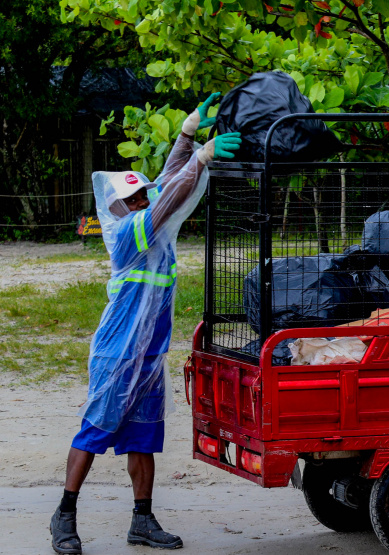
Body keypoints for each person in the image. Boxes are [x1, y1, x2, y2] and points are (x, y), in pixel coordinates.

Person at [50, 93, 241, 555]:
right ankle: (64, 515)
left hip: (149, 353)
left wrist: (187, 134)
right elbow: (168, 195)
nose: (142, 198)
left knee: (143, 434)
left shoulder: (147, 216)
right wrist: (200, 156)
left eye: (141, 193)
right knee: (96, 429)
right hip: (117, 352)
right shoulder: (129, 233)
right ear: (118, 205)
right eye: (133, 196)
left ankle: (142, 520)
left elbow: (167, 183)